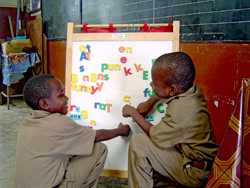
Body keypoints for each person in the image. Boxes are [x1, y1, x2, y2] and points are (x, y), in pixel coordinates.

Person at [14, 74, 130, 188]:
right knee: (99, 149)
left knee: (75, 150)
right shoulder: (58, 123)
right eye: (61, 95)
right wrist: (121, 130)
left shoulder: (27, 121)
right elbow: (97, 136)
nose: (66, 98)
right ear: (44, 104)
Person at [122, 52, 219, 188]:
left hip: (195, 172)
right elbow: (171, 92)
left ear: (172, 89)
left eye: (155, 84)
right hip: (194, 160)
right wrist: (152, 100)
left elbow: (155, 135)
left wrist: (133, 112)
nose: (151, 84)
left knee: (139, 144)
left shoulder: (181, 110)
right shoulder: (192, 89)